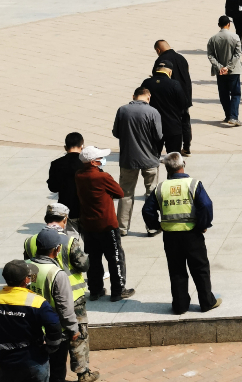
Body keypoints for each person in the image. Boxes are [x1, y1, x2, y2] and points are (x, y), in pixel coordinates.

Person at [22, 203, 98, 382]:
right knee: (77, 332)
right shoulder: (69, 241)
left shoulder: (30, 241)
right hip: (73, 296)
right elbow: (83, 265)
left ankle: (47, 370)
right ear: (65, 219)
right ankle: (82, 372)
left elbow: (29, 268)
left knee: (46, 332)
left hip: (41, 296)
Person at [142, 152, 222, 315]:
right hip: (192, 234)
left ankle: (180, 306)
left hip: (171, 236)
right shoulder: (193, 184)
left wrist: (157, 226)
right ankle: (207, 302)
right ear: (183, 163)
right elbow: (206, 205)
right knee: (200, 268)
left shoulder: (161, 187)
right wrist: (202, 225)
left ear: (166, 168)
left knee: (177, 270)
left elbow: (147, 210)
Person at [25, 229, 83, 382]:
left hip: (30, 330)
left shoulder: (25, 267)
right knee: (57, 371)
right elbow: (65, 308)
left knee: (35, 370)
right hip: (54, 332)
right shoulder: (56, 274)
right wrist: (74, 330)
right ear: (56, 249)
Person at [74, 146, 133, 302]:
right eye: (99, 158)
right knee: (115, 257)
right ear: (93, 162)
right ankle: (118, 290)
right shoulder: (103, 177)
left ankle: (95, 290)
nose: (102, 160)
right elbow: (120, 193)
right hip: (107, 224)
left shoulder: (79, 175)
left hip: (88, 225)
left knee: (93, 259)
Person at [112, 87, 163, 236]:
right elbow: (158, 136)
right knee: (151, 193)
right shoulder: (153, 112)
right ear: (148, 97)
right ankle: (152, 226)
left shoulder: (122, 110)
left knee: (125, 193)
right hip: (149, 159)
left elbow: (116, 133)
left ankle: (122, 228)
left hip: (128, 159)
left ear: (134, 96)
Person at [152, 40, 194, 155]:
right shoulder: (181, 58)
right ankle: (186, 147)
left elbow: (157, 79)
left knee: (169, 122)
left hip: (170, 98)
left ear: (158, 50)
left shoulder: (161, 61)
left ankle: (165, 149)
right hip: (185, 95)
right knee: (185, 120)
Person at [141, 64, 190, 155]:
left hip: (152, 126)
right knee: (174, 158)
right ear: (170, 72)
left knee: (152, 158)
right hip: (172, 127)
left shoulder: (146, 83)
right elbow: (184, 104)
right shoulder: (174, 84)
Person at [207, 15, 242, 126]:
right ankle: (233, 116)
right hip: (234, 71)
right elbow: (237, 54)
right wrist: (228, 67)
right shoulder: (235, 37)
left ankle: (228, 115)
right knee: (235, 93)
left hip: (220, 72)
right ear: (229, 24)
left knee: (223, 94)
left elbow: (210, 55)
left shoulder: (213, 39)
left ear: (219, 25)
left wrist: (220, 67)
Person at [47, 133, 85, 231]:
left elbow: (53, 188)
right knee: (91, 244)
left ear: (65, 147)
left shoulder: (56, 164)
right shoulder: (87, 164)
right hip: (85, 209)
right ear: (82, 146)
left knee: (70, 243)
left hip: (66, 208)